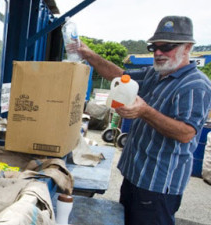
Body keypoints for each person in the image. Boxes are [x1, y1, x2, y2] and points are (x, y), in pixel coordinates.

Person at [74, 16, 211, 225]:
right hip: (135, 177)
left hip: (157, 185)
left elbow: (186, 133)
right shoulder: (154, 74)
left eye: (166, 47)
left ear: (188, 47)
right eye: (154, 47)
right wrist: (87, 54)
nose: (158, 52)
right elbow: (120, 76)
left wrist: (145, 111)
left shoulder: (195, 85)